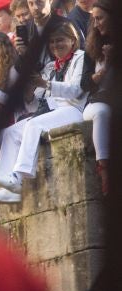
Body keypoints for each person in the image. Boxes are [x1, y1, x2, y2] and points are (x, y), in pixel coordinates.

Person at [0, 22, 89, 203]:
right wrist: (31, 90)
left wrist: (46, 84)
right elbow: (39, 99)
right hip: (52, 111)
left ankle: (17, 177)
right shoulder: (50, 67)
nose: (56, 45)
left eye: (60, 40)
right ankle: (7, 189)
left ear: (73, 41)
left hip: (74, 109)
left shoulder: (81, 58)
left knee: (34, 124)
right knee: (11, 132)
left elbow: (76, 90)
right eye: (52, 42)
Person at [82, 0, 111, 195]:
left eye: (100, 18)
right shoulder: (92, 49)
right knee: (102, 112)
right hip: (97, 102)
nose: (96, 24)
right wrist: (105, 66)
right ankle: (104, 169)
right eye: (94, 20)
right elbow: (84, 84)